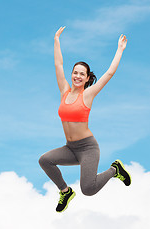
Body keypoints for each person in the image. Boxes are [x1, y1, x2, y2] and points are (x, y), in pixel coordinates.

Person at [39, 26, 131, 213]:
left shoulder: (88, 95)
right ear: (71, 75)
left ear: (87, 78)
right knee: (45, 160)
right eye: (75, 72)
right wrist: (56, 40)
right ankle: (65, 192)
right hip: (70, 148)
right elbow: (58, 64)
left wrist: (119, 50)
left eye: (82, 74)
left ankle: (115, 170)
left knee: (88, 189)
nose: (77, 76)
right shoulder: (64, 91)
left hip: (87, 148)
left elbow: (109, 74)